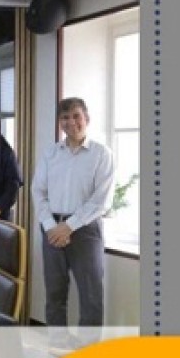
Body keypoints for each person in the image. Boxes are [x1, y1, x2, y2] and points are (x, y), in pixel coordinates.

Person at [31, 97, 114, 327]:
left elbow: (101, 200)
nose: (71, 122)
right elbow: (38, 191)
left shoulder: (101, 154)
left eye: (76, 116)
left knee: (91, 297)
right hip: (51, 229)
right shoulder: (50, 153)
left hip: (86, 230)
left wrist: (69, 226)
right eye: (65, 117)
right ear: (60, 123)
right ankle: (57, 343)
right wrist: (51, 227)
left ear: (87, 118)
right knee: (54, 294)